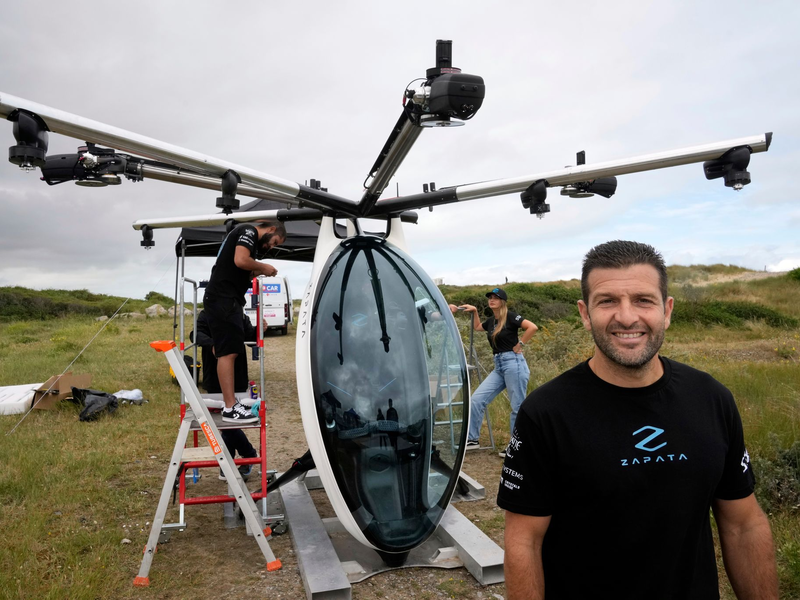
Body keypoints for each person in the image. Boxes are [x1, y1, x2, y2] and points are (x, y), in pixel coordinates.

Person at [498, 240, 778, 599]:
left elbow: (743, 525)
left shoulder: (711, 397)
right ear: (585, 313)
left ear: (667, 310)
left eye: (644, 300)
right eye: (608, 301)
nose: (627, 317)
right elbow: (524, 542)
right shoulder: (545, 413)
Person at [204, 220, 286, 423]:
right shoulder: (247, 231)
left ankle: (231, 404)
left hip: (227, 300)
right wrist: (263, 266)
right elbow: (241, 260)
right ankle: (230, 407)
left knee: (230, 350)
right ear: (271, 229)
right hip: (223, 299)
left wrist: (261, 270)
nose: (271, 246)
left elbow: (242, 269)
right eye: (274, 242)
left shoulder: (247, 239)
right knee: (227, 352)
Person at [456, 288, 538, 457]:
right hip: (499, 366)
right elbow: (478, 327)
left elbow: (532, 327)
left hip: (513, 364)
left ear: (502, 301)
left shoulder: (511, 317)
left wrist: (520, 344)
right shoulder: (492, 321)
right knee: (477, 400)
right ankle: (472, 440)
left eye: (496, 298)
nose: (492, 300)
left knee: (517, 407)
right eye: (490, 298)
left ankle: (516, 447)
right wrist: (475, 311)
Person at [191, 310, 258, 480]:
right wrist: (214, 344)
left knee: (230, 422)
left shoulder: (240, 315)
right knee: (224, 423)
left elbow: (252, 339)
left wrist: (259, 329)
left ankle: (229, 463)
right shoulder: (207, 314)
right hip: (213, 377)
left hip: (238, 377)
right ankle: (246, 456)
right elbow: (195, 334)